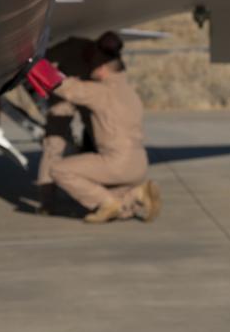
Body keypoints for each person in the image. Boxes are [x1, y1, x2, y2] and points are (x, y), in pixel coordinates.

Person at [46, 32, 161, 223]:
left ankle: (107, 202)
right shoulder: (130, 93)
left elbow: (67, 88)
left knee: (59, 170)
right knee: (118, 203)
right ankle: (137, 194)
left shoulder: (102, 92)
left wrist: (37, 68)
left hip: (117, 163)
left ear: (101, 69)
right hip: (139, 163)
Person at [34, 36, 94, 213]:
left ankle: (48, 201)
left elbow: (44, 61)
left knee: (54, 147)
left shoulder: (78, 45)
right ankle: (48, 200)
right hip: (69, 94)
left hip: (80, 92)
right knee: (54, 146)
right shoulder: (76, 45)